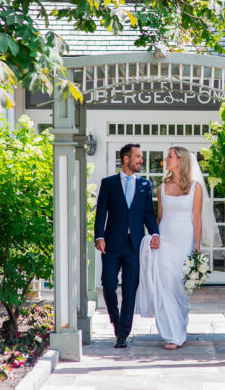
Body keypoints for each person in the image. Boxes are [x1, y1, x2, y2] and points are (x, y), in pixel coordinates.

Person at [136, 146, 221, 350]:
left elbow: (197, 218)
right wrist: (154, 236)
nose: (166, 159)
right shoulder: (162, 187)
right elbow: (159, 217)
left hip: (185, 241)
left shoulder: (195, 187)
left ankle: (179, 326)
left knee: (179, 290)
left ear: (180, 160)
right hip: (165, 240)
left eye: (170, 156)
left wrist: (198, 246)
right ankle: (172, 334)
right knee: (164, 286)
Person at [94, 144, 160, 348]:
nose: (141, 160)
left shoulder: (145, 185)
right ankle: (116, 321)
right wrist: (99, 236)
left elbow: (148, 212)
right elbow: (101, 212)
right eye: (138, 157)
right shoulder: (109, 183)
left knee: (130, 290)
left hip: (135, 246)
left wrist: (155, 233)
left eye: (141, 156)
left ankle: (123, 333)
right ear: (126, 158)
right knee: (109, 285)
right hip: (112, 244)